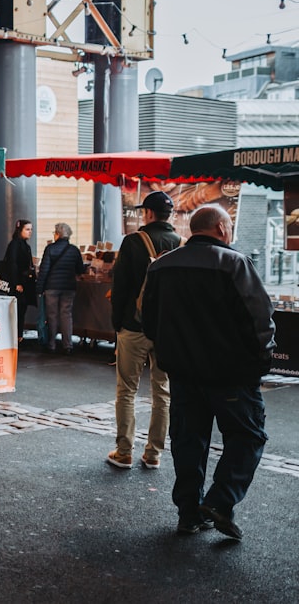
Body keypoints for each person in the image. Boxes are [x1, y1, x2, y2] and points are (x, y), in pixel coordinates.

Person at [141, 205, 274, 539]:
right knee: (247, 436)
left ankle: (188, 514)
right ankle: (220, 501)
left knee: (188, 441)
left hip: (183, 373)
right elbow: (260, 320)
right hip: (230, 374)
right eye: (229, 226)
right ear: (220, 228)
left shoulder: (161, 266)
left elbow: (147, 319)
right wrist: (261, 362)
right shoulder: (234, 263)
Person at [107, 190, 184, 472]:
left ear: (148, 213)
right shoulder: (182, 244)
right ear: (169, 215)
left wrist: (118, 324)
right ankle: (153, 454)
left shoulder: (133, 242)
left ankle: (124, 451)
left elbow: (121, 288)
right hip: (165, 330)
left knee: (126, 390)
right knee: (162, 391)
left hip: (134, 326)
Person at [35, 222, 84, 354]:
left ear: (57, 234)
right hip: (69, 287)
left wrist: (39, 288)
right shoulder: (74, 250)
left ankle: (51, 344)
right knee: (66, 315)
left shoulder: (50, 249)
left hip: (52, 287)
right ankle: (67, 345)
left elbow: (44, 270)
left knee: (52, 315)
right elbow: (80, 269)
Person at [0, 219, 36, 343]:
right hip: (18, 284)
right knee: (18, 310)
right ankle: (16, 336)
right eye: (27, 229)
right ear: (20, 230)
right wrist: (17, 283)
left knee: (21, 309)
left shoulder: (24, 245)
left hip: (23, 283)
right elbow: (12, 264)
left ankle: (18, 335)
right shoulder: (16, 245)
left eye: (31, 229)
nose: (30, 232)